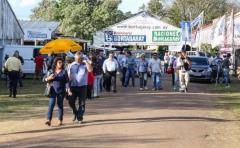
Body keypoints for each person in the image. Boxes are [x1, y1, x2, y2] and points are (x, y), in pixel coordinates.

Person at [44, 57, 71, 126]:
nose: (61, 64)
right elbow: (44, 79)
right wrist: (48, 78)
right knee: (51, 105)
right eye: (59, 62)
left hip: (61, 91)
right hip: (52, 91)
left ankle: (60, 120)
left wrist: (68, 89)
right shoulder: (51, 71)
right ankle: (48, 120)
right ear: (56, 63)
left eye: (62, 62)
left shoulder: (64, 71)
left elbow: (67, 82)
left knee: (60, 105)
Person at [69, 51, 93, 123]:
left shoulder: (85, 64)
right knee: (71, 101)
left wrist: (86, 62)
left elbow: (90, 70)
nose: (78, 60)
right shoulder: (71, 65)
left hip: (83, 86)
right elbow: (68, 75)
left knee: (82, 103)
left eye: (79, 59)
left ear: (82, 58)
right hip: (73, 86)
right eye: (76, 59)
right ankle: (75, 112)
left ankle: (80, 117)